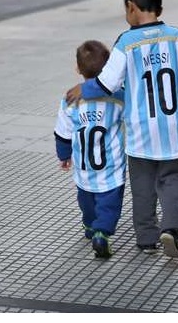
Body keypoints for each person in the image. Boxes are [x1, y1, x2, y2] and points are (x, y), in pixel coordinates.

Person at [65, 0, 178, 259]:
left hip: (141, 133)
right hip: (176, 131)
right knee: (176, 180)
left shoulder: (126, 42)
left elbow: (106, 84)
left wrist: (83, 88)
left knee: (143, 187)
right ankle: (171, 229)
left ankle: (147, 239)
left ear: (131, 7)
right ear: (160, 8)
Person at [53, 40, 126, 259]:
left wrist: (64, 155)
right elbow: (133, 119)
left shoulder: (70, 100)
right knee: (109, 204)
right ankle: (102, 233)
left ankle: (90, 225)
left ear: (77, 69)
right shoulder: (118, 97)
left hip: (84, 168)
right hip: (110, 167)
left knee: (86, 201)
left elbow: (63, 131)